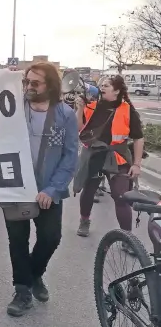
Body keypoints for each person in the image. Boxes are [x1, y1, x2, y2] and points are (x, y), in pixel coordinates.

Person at [4, 62, 78, 317]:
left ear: (50, 85)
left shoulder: (65, 115)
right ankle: (22, 291)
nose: (28, 87)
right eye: (26, 82)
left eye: (35, 83)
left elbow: (70, 157)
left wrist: (53, 189)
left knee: (50, 238)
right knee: (17, 240)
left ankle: (35, 275)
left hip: (48, 190)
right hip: (15, 189)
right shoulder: (12, 110)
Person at [74, 75, 144, 238]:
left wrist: (137, 164)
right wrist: (79, 109)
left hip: (117, 157)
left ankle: (128, 237)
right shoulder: (91, 105)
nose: (101, 87)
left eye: (106, 85)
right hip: (94, 156)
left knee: (121, 196)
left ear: (117, 91)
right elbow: (78, 128)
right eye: (101, 85)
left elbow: (138, 138)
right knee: (89, 190)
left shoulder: (128, 109)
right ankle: (84, 220)